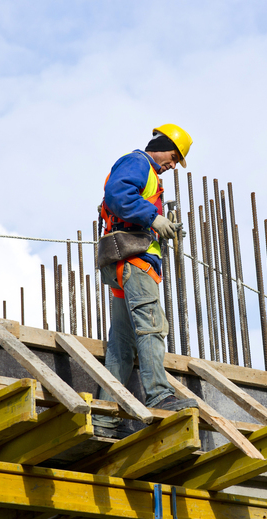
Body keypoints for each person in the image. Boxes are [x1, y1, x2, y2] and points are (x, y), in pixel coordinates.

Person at [93, 124, 198, 438]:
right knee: (152, 326)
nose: (173, 164)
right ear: (162, 145)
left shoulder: (150, 174)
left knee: (122, 347)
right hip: (134, 262)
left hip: (125, 264)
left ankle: (105, 419)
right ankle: (159, 395)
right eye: (174, 156)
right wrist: (153, 218)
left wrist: (156, 222)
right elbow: (117, 195)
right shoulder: (139, 162)